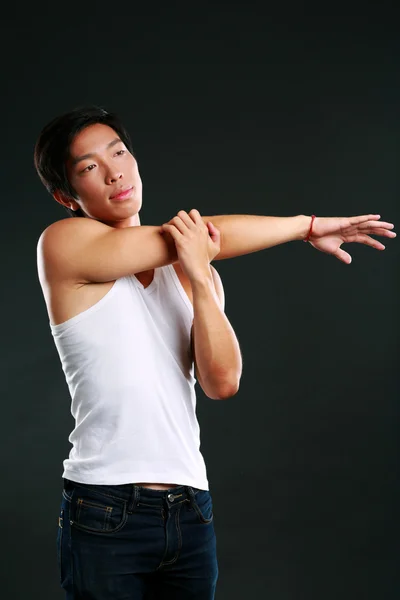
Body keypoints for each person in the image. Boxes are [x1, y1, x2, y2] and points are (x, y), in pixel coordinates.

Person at [34, 105, 396, 600]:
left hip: (189, 507)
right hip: (103, 507)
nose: (115, 171)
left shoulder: (192, 267)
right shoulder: (62, 243)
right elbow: (194, 237)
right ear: (65, 195)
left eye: (119, 153)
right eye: (89, 167)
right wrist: (307, 225)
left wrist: (202, 278)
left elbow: (222, 383)